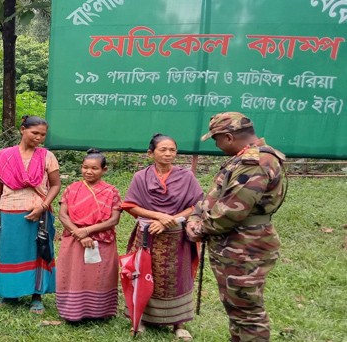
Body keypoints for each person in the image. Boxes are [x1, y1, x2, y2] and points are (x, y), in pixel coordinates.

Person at [186, 112, 286, 342]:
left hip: (245, 248)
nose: (217, 144)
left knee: (248, 314)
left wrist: (199, 229)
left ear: (229, 137)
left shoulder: (255, 163)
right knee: (236, 308)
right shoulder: (242, 159)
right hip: (234, 247)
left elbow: (231, 211)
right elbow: (214, 196)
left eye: (216, 139)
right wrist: (195, 216)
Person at [121, 134, 204, 340]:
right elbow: (130, 205)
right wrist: (158, 215)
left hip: (177, 238)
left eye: (172, 150)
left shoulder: (186, 177)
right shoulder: (141, 177)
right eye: (163, 150)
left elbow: (197, 205)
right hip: (147, 235)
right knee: (143, 274)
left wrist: (172, 219)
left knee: (178, 278)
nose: (168, 154)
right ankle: (140, 319)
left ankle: (178, 324)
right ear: (151, 153)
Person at [0, 115, 61, 314]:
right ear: (22, 130)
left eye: (43, 135)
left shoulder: (47, 156)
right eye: (34, 133)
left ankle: (36, 296)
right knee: (10, 253)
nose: (39, 138)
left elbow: (55, 185)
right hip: (10, 210)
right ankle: (9, 294)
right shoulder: (5, 155)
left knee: (38, 252)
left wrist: (43, 206)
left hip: (38, 213)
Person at [56, 149, 122, 322]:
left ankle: (100, 312)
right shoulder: (72, 188)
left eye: (94, 168)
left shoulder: (111, 191)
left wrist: (88, 231)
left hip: (102, 240)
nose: (88, 171)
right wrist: (80, 233)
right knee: (74, 274)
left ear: (104, 170)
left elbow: (114, 219)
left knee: (100, 275)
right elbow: (63, 215)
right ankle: (72, 311)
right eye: (85, 167)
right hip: (74, 238)